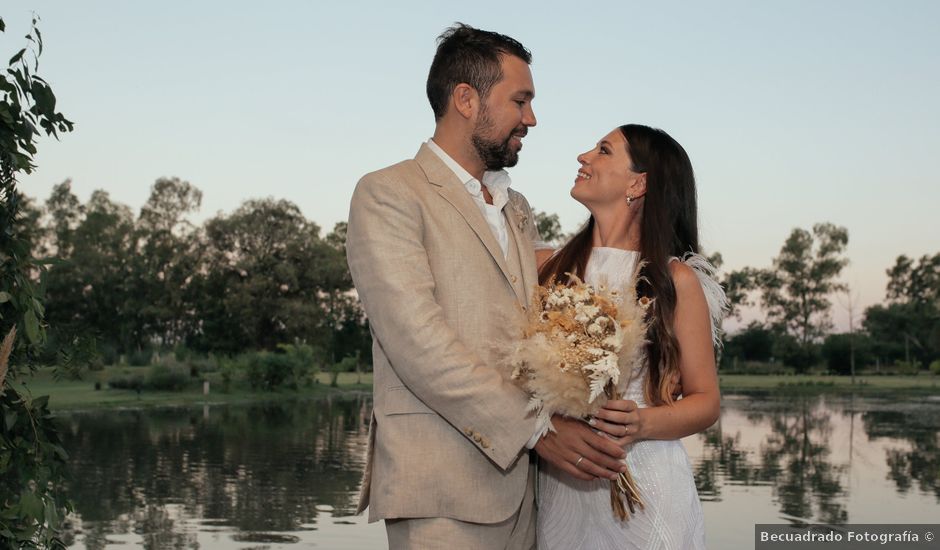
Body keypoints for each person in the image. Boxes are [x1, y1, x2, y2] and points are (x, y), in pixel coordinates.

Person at [345, 24, 627, 549]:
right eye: (520, 100)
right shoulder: (388, 194)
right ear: (466, 99)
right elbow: (418, 344)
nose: (531, 118)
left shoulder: (517, 208)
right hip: (441, 492)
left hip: (529, 498)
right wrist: (538, 429)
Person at [535, 124, 725, 549]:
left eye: (603, 150)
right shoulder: (546, 268)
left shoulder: (673, 281)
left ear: (638, 183)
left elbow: (706, 401)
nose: (584, 156)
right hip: (562, 490)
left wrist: (642, 422)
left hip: (647, 486)